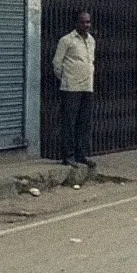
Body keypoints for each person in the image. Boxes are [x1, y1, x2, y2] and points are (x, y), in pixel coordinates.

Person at [54, 10, 97, 167]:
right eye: (83, 22)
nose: (87, 25)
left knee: (84, 123)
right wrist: (66, 79)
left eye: (88, 22)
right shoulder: (67, 41)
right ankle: (68, 155)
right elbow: (57, 64)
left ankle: (81, 154)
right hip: (71, 88)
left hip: (87, 87)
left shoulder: (91, 41)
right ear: (76, 23)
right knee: (69, 123)